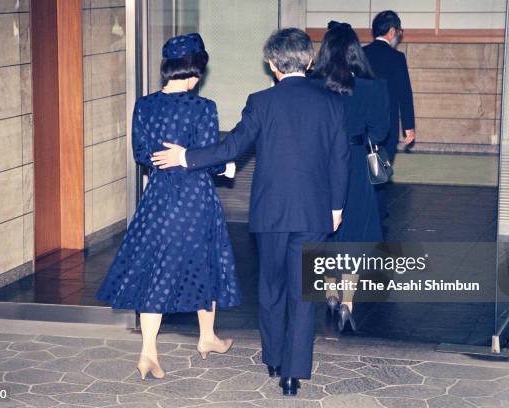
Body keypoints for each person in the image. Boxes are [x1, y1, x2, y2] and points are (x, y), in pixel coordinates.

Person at [151, 28, 350, 396]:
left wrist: (186, 156)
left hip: (270, 213)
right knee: (305, 293)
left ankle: (273, 357)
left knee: (271, 286)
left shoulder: (261, 102)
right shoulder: (332, 102)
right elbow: (341, 159)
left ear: (272, 64)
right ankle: (292, 374)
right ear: (309, 61)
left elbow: (233, 147)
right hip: (314, 212)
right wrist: (336, 207)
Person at [95, 33, 241, 381]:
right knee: (206, 264)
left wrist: (168, 158)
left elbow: (141, 154)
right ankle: (206, 336)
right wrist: (225, 166)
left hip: (159, 198)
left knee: (156, 270)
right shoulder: (203, 108)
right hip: (196, 199)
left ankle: (149, 352)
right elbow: (208, 157)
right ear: (195, 72)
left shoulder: (144, 105)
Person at [310, 21, 390, 332]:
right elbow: (381, 133)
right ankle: (347, 301)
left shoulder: (313, 86)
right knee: (354, 231)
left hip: (321, 165)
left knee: (327, 229)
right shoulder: (372, 87)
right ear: (355, 51)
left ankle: (329, 292)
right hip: (356, 163)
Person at [363, 10, 415, 220]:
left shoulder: (361, 53)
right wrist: (409, 126)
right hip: (387, 125)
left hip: (362, 125)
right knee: (381, 169)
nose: (399, 36)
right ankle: (377, 210)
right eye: (399, 32)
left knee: (363, 168)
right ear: (392, 31)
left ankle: (367, 208)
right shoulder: (397, 57)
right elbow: (405, 93)